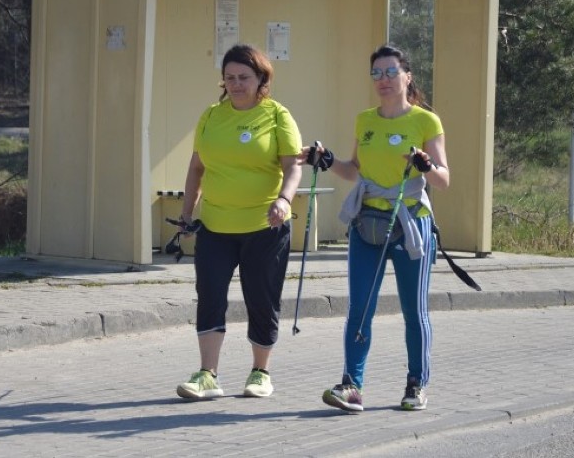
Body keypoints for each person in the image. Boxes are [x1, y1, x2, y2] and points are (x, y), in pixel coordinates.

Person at [307, 44, 449, 413]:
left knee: (413, 311)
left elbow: (444, 178)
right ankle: (351, 386)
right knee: (360, 307)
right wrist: (327, 160)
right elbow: (355, 170)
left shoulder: (425, 121)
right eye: (376, 73)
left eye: (390, 72)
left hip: (409, 224)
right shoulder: (365, 120)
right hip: (366, 223)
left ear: (407, 77)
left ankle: (416, 384)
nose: (383, 80)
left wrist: (425, 165)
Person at [175, 44, 303, 400]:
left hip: (266, 227)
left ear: (261, 78)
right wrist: (187, 213)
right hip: (216, 226)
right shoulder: (211, 116)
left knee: (261, 299)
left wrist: (284, 200)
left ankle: (260, 372)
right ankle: (207, 375)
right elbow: (197, 168)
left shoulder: (278, 116)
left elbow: (294, 166)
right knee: (210, 296)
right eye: (229, 77)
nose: (235, 84)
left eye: (244, 77)